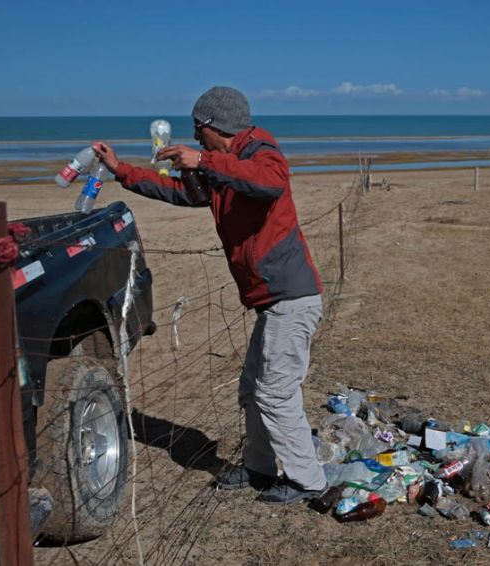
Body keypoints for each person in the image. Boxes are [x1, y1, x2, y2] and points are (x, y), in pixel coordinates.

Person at [92, 86, 328, 504]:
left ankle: (307, 481)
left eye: (198, 131)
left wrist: (203, 160)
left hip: (290, 297)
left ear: (213, 126)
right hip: (271, 300)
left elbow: (272, 181)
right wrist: (121, 170)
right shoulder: (225, 166)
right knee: (254, 386)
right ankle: (259, 468)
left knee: (275, 390)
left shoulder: (260, 150)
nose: (196, 138)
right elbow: (181, 192)